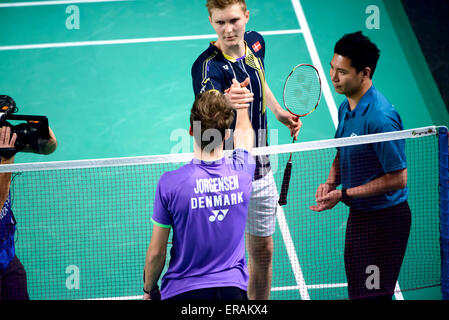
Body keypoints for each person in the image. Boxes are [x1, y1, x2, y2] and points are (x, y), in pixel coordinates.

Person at [191, 0, 302, 300]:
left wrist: (278, 112)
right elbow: (207, 121)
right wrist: (226, 102)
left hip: (260, 166)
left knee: (263, 251)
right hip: (222, 171)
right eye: (220, 23)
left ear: (246, 16)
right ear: (211, 22)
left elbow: (260, 80)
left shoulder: (256, 42)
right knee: (219, 257)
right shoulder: (206, 67)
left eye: (233, 21)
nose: (228, 30)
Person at [310, 31, 411, 300]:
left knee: (373, 295)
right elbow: (342, 152)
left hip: (384, 222)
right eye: (332, 68)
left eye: (341, 72)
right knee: (359, 292)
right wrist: (332, 182)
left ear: (364, 73)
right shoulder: (347, 107)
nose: (333, 77)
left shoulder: (380, 118)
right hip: (361, 217)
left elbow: (399, 178)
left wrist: (343, 194)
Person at [143, 89, 255, 300]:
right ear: (227, 134)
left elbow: (157, 253)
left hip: (183, 293)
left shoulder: (170, 184)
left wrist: (149, 289)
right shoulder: (244, 171)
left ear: (191, 131)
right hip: (233, 292)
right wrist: (241, 107)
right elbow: (245, 138)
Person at [0, 124, 57, 300]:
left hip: (6, 256)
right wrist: (6, 159)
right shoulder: (4, 153)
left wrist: (41, 127)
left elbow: (48, 147)